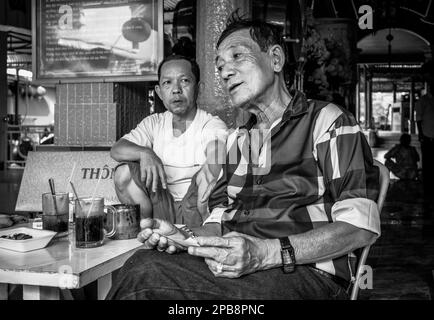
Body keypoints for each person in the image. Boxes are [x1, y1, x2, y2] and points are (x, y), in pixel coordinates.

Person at [107, 14, 380, 300]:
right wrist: (186, 236)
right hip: (241, 272)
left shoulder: (327, 121)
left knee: (144, 281)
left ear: (275, 59)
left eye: (238, 56)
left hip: (305, 274)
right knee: (142, 263)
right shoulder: (240, 139)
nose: (225, 72)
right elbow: (221, 219)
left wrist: (266, 253)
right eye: (221, 66)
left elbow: (360, 227)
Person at [110, 54, 227, 227]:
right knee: (123, 173)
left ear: (198, 88)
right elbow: (117, 149)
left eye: (185, 81)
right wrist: (145, 153)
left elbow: (216, 154)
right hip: (161, 207)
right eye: (167, 83)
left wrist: (211, 166)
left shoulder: (211, 124)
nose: (176, 89)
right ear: (159, 92)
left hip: (197, 208)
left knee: (211, 172)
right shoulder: (154, 123)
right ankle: (147, 228)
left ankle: (205, 233)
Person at [415, 61, 434, 204]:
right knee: (427, 162)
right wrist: (421, 135)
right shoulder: (422, 101)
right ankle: (427, 187)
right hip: (427, 136)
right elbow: (418, 119)